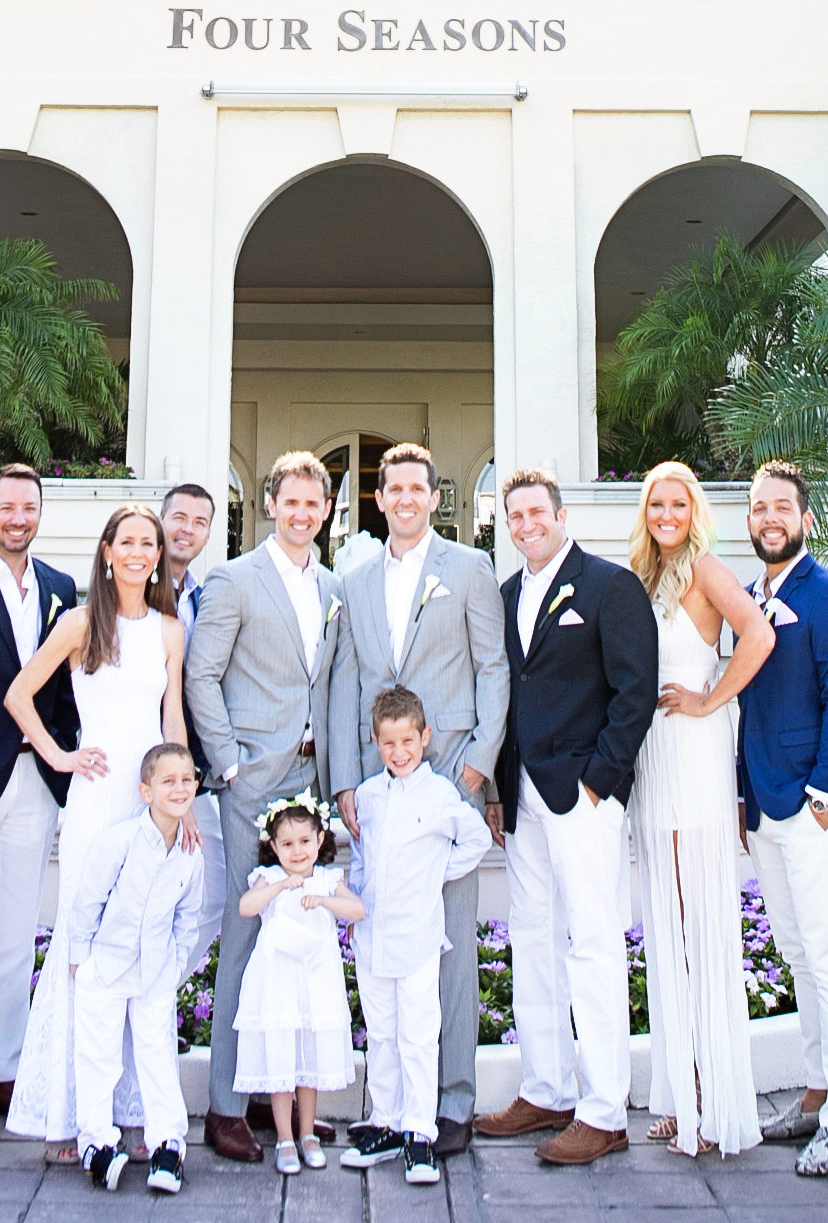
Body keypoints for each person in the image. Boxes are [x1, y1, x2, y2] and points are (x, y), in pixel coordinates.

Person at [474, 468, 657, 1168]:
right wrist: (499, 787)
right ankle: (546, 1088)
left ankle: (604, 1110)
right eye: (514, 516)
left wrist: (600, 780)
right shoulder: (505, 594)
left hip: (582, 793)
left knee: (592, 942)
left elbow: (635, 691)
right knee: (532, 936)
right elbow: (507, 692)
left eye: (536, 513)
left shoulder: (608, 586)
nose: (526, 525)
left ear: (560, 514)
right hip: (522, 793)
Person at [329, 439, 508, 1156]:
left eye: (416, 489)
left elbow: (492, 668)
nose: (404, 499)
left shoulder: (468, 568)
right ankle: (391, 1106)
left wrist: (478, 769)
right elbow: (347, 679)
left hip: (450, 773)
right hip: (379, 781)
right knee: (381, 943)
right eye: (392, 488)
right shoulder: (354, 579)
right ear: (378, 499)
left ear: (435, 498)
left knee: (450, 945)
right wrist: (346, 778)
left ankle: (452, 1100)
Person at [4, 503, 189, 1157]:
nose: (139, 552)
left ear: (158, 556)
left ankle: (127, 1113)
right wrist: (60, 756)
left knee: (139, 943)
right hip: (96, 794)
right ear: (107, 551)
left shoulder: (170, 629)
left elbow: (172, 717)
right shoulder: (79, 623)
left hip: (151, 801)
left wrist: (184, 799)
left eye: (149, 543)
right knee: (84, 944)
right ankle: (68, 1115)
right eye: (127, 541)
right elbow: (18, 695)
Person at [184, 450, 341, 1164]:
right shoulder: (234, 578)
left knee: (299, 940)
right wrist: (229, 762)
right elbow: (201, 674)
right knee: (245, 935)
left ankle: (275, 1098)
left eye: (314, 503)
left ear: (326, 509)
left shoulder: (332, 585)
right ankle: (224, 1106)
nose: (301, 514)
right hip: (251, 781)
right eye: (291, 502)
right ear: (270, 504)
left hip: (310, 780)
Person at [627, 461, 774, 1159]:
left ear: (694, 511)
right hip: (651, 756)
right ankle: (680, 1090)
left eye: (677, 504)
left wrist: (711, 698)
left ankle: (716, 1100)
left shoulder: (708, 570)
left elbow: (759, 636)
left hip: (694, 748)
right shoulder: (641, 575)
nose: (666, 514)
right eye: (656, 503)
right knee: (667, 921)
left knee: (699, 919)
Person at [735, 459, 828, 1180]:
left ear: (805, 518)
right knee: (794, 952)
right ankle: (817, 1091)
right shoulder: (750, 595)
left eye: (781, 506)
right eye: (760, 507)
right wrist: (742, 798)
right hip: (762, 803)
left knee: (827, 953)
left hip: (812, 806)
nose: (769, 518)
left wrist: (825, 792)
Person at [0, 463, 81, 1117]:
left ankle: (5, 1071)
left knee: (15, 930)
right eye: (6, 507)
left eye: (28, 507)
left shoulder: (60, 587)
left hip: (37, 777)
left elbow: (66, 685)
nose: (18, 518)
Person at [342, 685, 492, 1186]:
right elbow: (360, 855)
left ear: (425, 737)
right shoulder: (368, 796)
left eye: (408, 741)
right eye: (388, 743)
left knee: (418, 1036)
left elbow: (476, 838)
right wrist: (355, 899)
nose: (399, 752)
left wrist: (436, 873)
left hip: (419, 938)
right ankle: (386, 1121)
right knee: (382, 1034)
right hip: (373, 936)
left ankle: (420, 1133)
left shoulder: (440, 795)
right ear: (375, 742)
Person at [65, 743, 209, 1196]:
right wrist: (82, 962)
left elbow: (189, 917)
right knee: (98, 1057)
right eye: (168, 781)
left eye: (187, 780)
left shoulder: (190, 853)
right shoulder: (119, 842)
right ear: (146, 791)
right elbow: (88, 902)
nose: (180, 789)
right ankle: (96, 1143)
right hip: (106, 967)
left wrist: (176, 965)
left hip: (155, 975)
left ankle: (168, 1144)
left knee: (157, 1056)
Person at [235, 794, 363, 1174]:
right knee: (281, 1058)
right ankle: (285, 1139)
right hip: (278, 982)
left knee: (308, 1057)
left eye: (305, 841)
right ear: (273, 847)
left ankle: (307, 1133)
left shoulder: (327, 879)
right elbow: (246, 906)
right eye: (287, 844)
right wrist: (280, 887)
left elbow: (357, 910)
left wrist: (323, 900)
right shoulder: (270, 878)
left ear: (320, 840)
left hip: (316, 980)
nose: (297, 851)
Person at [161, 480, 225, 974]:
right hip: (134, 768)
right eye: (179, 518)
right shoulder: (126, 593)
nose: (187, 530)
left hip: (192, 774)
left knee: (214, 892)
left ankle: (160, 993)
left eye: (199, 522)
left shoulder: (206, 599)